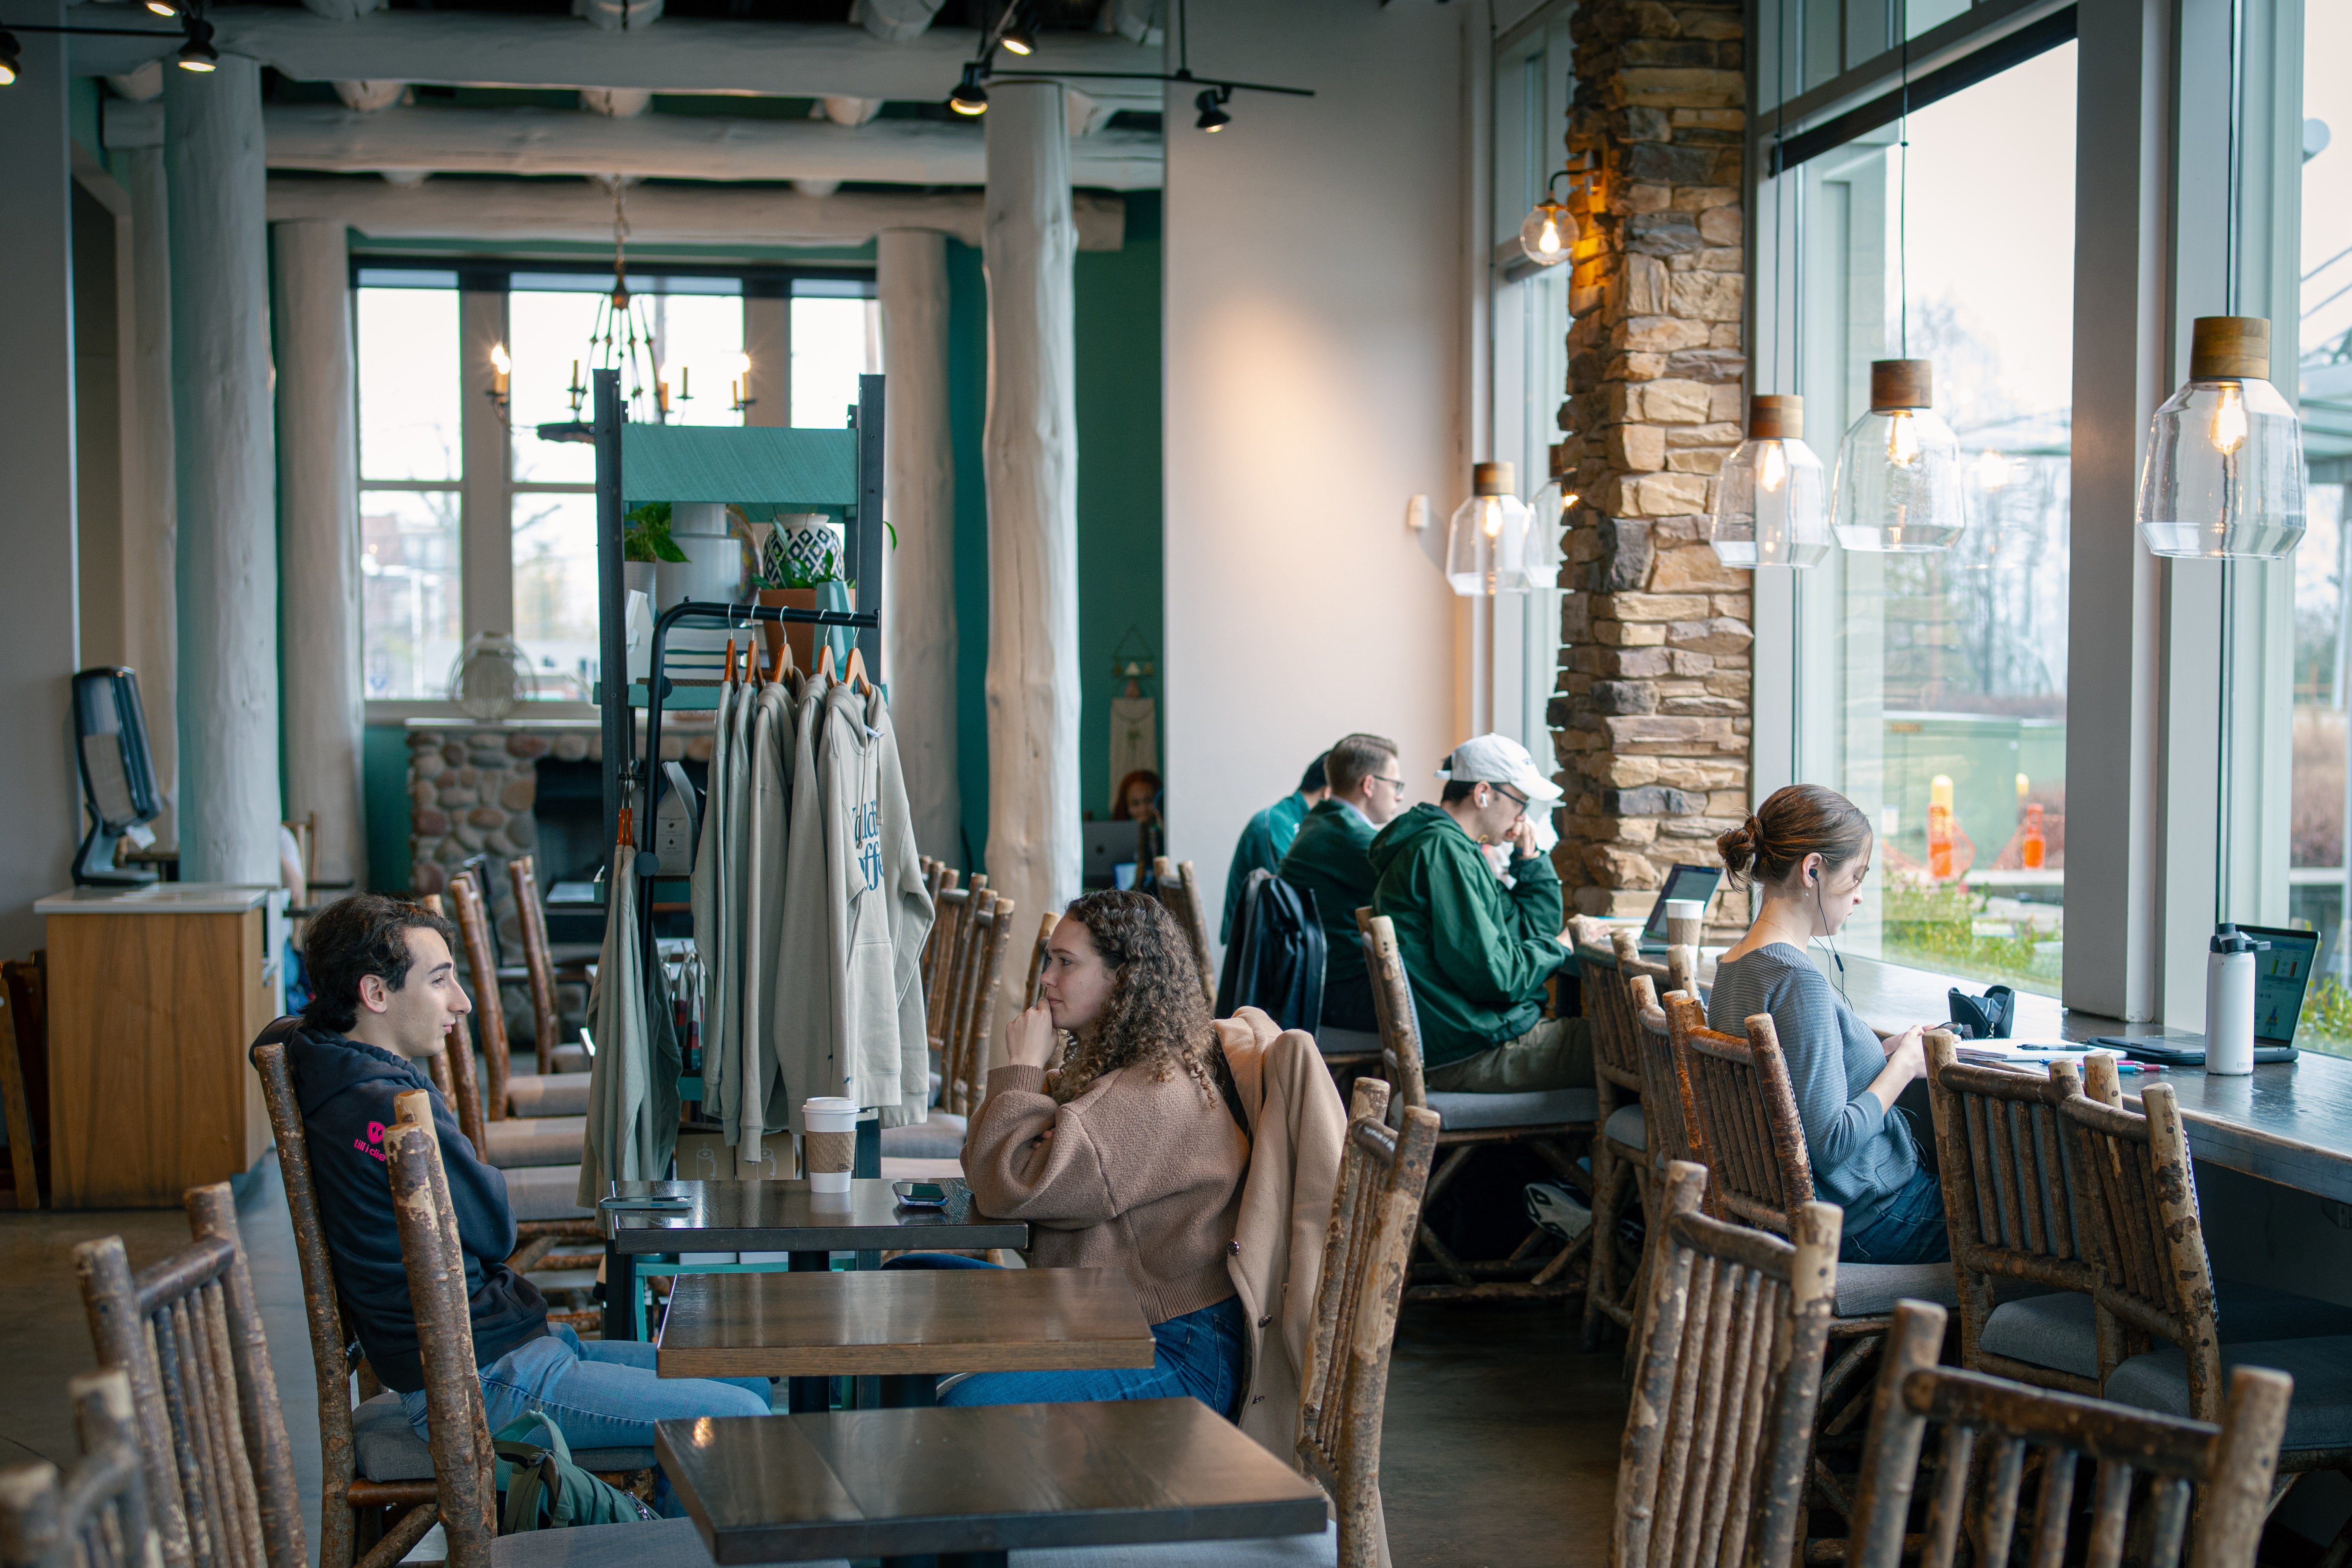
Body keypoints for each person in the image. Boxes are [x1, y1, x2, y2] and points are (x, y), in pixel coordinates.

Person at [281, 894, 770, 1494]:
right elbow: (495, 1228)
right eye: (439, 980)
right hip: (480, 1381)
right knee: (741, 1415)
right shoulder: (387, 1106)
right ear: (375, 993)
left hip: (499, 1349)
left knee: (748, 1381)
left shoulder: (336, 1070)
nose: (461, 1001)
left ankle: (664, 1533)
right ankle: (660, 1540)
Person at [951, 892, 1253, 1413]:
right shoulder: (1111, 1069)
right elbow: (986, 1167)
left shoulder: (1149, 1092)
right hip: (1105, 1311)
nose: (1046, 978)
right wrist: (1025, 1142)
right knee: (907, 1278)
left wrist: (1024, 1067)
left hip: (1175, 1347)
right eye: (1049, 960)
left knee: (969, 1405)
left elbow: (1004, 1186)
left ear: (1123, 979)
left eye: (1065, 963)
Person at [1710, 785, 1947, 1266]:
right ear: (1813, 869)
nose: (1858, 896)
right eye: (1855, 877)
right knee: (2033, 1220)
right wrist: (1903, 1067)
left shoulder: (1734, 966)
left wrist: (1880, 1057)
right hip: (1866, 1222)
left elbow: (1798, 1085)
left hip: (1786, 1213)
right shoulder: (1799, 982)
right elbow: (1832, 1141)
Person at [1366, 734, 1589, 1092]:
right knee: (1630, 1045)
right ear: (1483, 793)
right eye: (1521, 802)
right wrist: (1562, 947)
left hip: (1470, 1035)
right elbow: (1498, 977)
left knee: (1620, 1040)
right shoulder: (1444, 852)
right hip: (1474, 1051)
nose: (1523, 816)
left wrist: (1530, 859)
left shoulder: (1456, 849)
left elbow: (1526, 930)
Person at [1278, 732, 1409, 1032]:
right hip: (1341, 993)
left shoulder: (1320, 820)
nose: (1400, 796)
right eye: (1396, 785)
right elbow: (1419, 892)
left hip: (1320, 984)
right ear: (1370, 785)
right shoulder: (1352, 837)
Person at [1221, 753, 1330, 942]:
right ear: (1328, 792)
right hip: (1256, 949)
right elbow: (1287, 905)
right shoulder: (1276, 825)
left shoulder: (1294, 822)